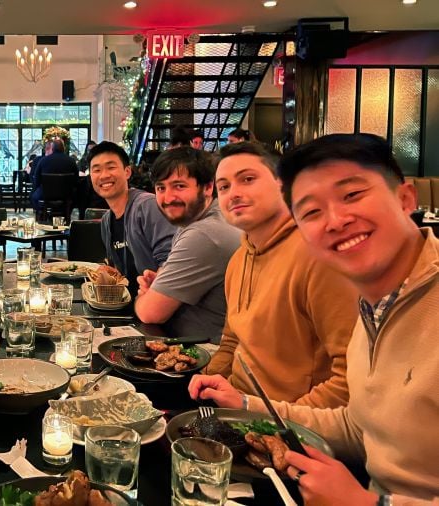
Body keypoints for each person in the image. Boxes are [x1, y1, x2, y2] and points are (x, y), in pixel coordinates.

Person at [189, 133, 439, 504]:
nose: (335, 220)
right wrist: (246, 407)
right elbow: (360, 426)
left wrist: (367, 503)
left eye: (352, 195)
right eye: (311, 211)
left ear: (405, 200)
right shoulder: (374, 306)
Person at [204, 142, 356, 408]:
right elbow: (232, 340)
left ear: (282, 184)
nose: (234, 194)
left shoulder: (318, 256)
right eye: (224, 187)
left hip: (292, 426)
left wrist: (277, 425)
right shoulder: (239, 259)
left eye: (247, 180)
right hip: (236, 408)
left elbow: (350, 377)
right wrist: (204, 381)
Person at [134, 147, 240, 341]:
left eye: (179, 186)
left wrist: (144, 297)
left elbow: (150, 313)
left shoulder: (205, 234)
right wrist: (160, 283)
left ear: (208, 187)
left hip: (204, 357)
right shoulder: (195, 220)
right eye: (161, 188)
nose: (168, 198)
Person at [89, 141, 175, 291]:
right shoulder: (106, 222)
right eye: (96, 170)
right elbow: (121, 272)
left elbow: (171, 263)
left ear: (127, 172)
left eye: (111, 167)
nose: (104, 175)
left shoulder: (147, 206)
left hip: (157, 302)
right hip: (126, 302)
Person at [30, 138, 78, 210]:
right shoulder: (71, 161)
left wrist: (37, 188)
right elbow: (75, 180)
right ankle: (66, 213)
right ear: (64, 148)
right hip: (66, 194)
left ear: (52, 149)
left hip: (45, 194)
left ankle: (42, 214)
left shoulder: (43, 160)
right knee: (76, 196)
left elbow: (37, 179)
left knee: (33, 196)